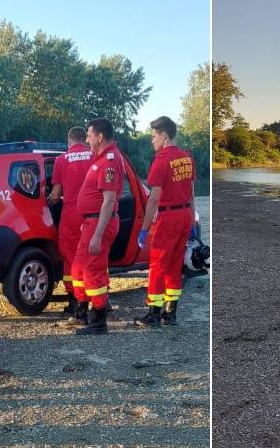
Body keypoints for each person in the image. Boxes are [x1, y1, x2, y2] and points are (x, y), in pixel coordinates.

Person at [134, 116, 196, 327]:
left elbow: (153, 198)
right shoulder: (186, 158)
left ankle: (153, 314)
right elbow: (192, 194)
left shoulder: (161, 160)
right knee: (174, 264)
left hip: (168, 217)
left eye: (153, 136)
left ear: (164, 136)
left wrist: (144, 228)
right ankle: (171, 313)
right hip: (185, 214)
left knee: (158, 264)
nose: (152, 141)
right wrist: (192, 225)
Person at [71, 117, 125, 335]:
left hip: (99, 223)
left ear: (100, 137)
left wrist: (97, 235)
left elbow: (109, 201)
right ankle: (82, 312)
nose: (87, 140)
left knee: (93, 271)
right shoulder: (100, 159)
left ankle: (99, 320)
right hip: (91, 222)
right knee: (79, 268)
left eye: (89, 135)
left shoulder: (109, 160)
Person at [48, 127, 93, 325]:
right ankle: (100, 298)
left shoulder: (61, 160)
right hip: (94, 212)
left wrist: (49, 200)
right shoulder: (95, 156)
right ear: (85, 140)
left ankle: (73, 300)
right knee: (94, 256)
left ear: (69, 142)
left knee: (70, 257)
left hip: (71, 213)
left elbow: (56, 194)